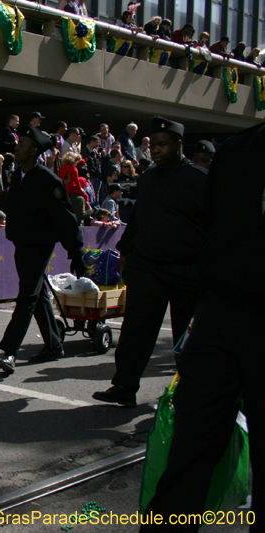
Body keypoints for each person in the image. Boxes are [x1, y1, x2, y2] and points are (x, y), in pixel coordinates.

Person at [139, 122, 265, 533]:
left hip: (224, 310)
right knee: (191, 448)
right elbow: (215, 229)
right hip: (223, 314)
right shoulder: (241, 150)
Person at [93, 117, 208, 407]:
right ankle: (124, 386)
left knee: (188, 338)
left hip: (187, 270)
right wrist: (126, 251)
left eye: (162, 145)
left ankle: (191, 393)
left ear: (179, 145)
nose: (155, 151)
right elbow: (139, 221)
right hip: (149, 267)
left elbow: (214, 228)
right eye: (153, 145)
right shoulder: (148, 179)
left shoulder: (199, 180)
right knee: (136, 330)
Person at [0, 126, 85, 374]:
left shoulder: (49, 181)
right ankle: (54, 345)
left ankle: (10, 351)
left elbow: (65, 218)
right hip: (21, 244)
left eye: (22, 144)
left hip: (40, 245)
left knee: (26, 297)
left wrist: (75, 251)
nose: (17, 147)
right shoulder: (18, 175)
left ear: (34, 151)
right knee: (37, 295)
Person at [59, 152, 91, 225]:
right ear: (74, 161)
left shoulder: (63, 167)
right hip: (72, 188)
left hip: (65, 188)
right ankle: (87, 210)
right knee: (85, 196)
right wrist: (81, 189)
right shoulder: (74, 169)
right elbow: (76, 182)